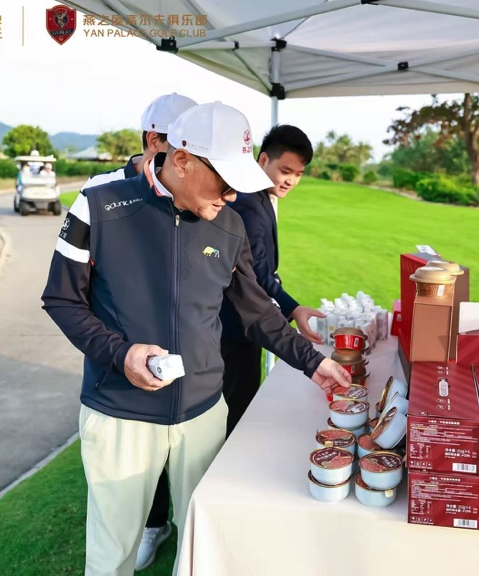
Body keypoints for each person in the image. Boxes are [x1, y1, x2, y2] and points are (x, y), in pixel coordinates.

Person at [41, 101, 351, 576]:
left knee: (204, 549)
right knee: (111, 556)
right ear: (182, 158)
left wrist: (314, 362)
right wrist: (120, 354)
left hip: (205, 410)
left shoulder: (230, 224)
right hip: (120, 411)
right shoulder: (98, 205)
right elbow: (61, 299)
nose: (232, 194)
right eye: (224, 180)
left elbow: (256, 312)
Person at [72, 92, 198, 571]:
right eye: (184, 146)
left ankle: (160, 525)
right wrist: (119, 348)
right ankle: (150, 525)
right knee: (118, 519)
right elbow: (72, 294)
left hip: (187, 387)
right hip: (120, 383)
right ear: (155, 140)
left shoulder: (195, 199)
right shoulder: (98, 194)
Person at [218, 124, 324, 436]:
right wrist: (293, 309)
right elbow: (258, 274)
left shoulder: (261, 196)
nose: (291, 180)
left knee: (242, 402)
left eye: (299, 174)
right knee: (237, 408)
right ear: (263, 159)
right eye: (285, 171)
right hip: (237, 326)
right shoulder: (248, 204)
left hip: (245, 323)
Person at [83, 92, 198, 190]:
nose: (195, 155)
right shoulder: (98, 188)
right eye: (184, 144)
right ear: (154, 141)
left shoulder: (199, 194)